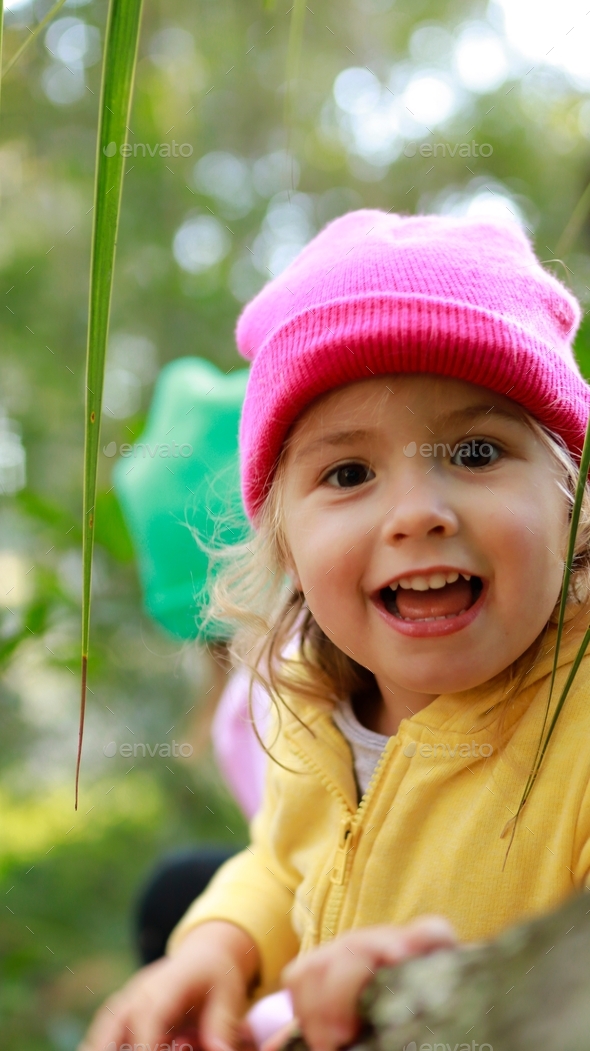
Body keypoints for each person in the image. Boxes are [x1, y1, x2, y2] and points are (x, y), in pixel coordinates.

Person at [81, 209, 590, 1051]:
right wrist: (218, 947)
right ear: (285, 544)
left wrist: (431, 986)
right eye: (349, 472)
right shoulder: (312, 710)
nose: (417, 513)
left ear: (571, 499)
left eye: (476, 452)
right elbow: (281, 865)